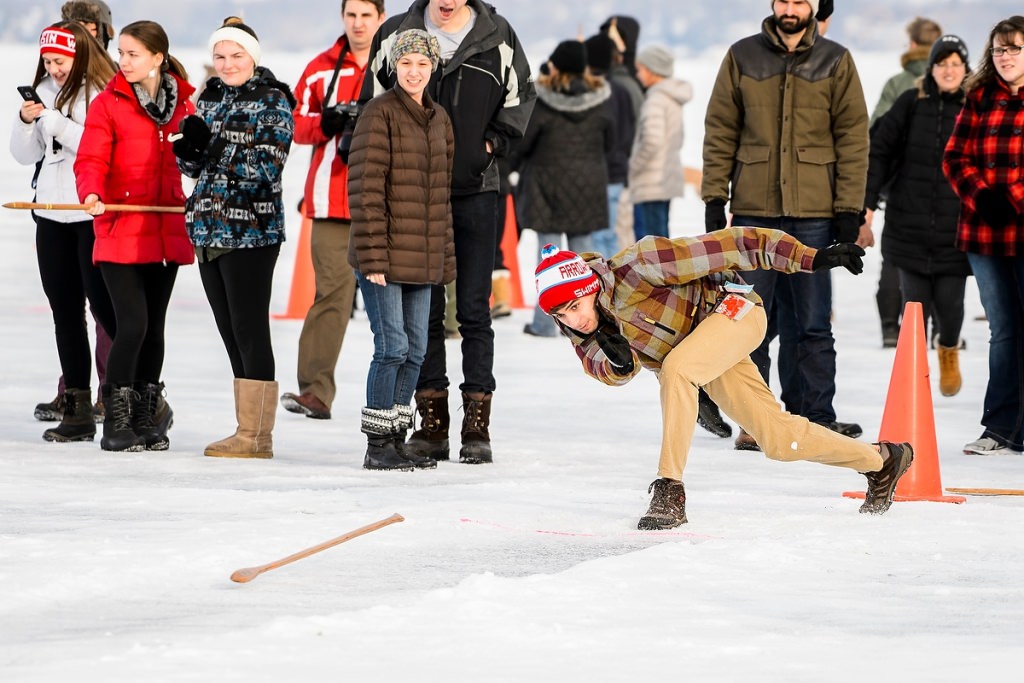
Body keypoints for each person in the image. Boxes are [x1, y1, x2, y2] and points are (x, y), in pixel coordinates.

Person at [532, 232, 913, 529]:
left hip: (734, 309)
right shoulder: (580, 329)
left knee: (676, 369)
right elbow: (608, 371)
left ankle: (669, 489)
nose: (573, 320)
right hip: (702, 350)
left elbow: (733, 244)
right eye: (561, 315)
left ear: (590, 289)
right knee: (778, 440)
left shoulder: (639, 265)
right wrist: (617, 363)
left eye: (575, 307)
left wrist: (810, 257)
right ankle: (880, 460)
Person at [361, 0, 535, 464]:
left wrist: (490, 144)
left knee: (476, 310)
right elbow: (371, 101)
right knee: (427, 311)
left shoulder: (499, 36)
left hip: (476, 189)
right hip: (414, 196)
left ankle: (477, 426)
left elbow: (522, 98)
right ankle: (432, 422)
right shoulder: (398, 32)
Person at [702, 0, 869, 451]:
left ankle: (814, 418)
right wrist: (715, 198)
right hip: (754, 211)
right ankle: (754, 421)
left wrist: (848, 211)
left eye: (800, 1)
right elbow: (720, 130)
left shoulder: (836, 60)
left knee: (812, 322)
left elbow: (853, 137)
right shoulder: (741, 56)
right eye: (783, 0)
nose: (790, 8)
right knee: (746, 321)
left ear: (813, 8)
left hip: (814, 213)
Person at [173, 19, 295, 459]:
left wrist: (214, 148)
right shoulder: (209, 96)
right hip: (208, 227)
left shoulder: (273, 99)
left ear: (253, 57)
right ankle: (249, 431)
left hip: (252, 232)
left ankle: (256, 436)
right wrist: (188, 156)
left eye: (236, 56)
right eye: (221, 56)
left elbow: (267, 168)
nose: (227, 64)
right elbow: (199, 167)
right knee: (229, 333)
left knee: (249, 330)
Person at [75, 20, 194, 452]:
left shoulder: (186, 104)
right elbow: (90, 157)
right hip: (122, 227)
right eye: (121, 53)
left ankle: (146, 414)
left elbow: (195, 158)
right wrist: (90, 190)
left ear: (157, 58)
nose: (122, 62)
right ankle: (117, 416)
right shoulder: (109, 104)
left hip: (165, 229)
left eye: (132, 54)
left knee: (155, 329)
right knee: (133, 326)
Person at [347, 29, 455, 471]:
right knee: (391, 346)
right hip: (385, 255)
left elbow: (440, 197)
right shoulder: (379, 113)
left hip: (423, 257)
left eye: (422, 64)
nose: (414, 71)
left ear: (432, 68)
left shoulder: (440, 119)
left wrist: (443, 258)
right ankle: (377, 444)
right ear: (394, 66)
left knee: (415, 350)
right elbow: (366, 188)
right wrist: (372, 256)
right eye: (406, 63)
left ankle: (396, 436)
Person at [279, 0, 388, 422]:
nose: (358, 24)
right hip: (330, 199)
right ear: (343, 18)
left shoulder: (395, 64)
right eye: (351, 15)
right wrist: (327, 123)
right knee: (332, 297)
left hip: (387, 202)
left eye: (366, 16)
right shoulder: (322, 68)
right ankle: (315, 391)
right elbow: (292, 123)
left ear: (381, 17)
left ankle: (408, 397)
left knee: (399, 299)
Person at [10, 21, 117, 442]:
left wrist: (56, 124)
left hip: (89, 214)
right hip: (50, 213)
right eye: (49, 62)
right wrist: (25, 121)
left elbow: (98, 145)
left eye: (61, 61)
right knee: (64, 312)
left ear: (80, 57)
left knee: (105, 310)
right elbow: (24, 155)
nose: (54, 70)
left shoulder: (102, 94)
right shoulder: (46, 91)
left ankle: (127, 393)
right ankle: (76, 406)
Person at [864, 35, 971, 398]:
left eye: (956, 64)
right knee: (915, 308)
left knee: (951, 306)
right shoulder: (911, 102)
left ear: (965, 69)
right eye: (942, 64)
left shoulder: (974, 108)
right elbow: (878, 150)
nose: (949, 70)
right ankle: (916, 377)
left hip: (956, 230)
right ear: (932, 69)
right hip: (907, 226)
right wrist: (866, 205)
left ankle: (949, 350)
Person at [943, 15, 1024, 456]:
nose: (1005, 56)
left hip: (1020, 223)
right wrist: (981, 197)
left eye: (1013, 48)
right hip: (984, 232)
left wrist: (1009, 197)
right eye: (998, 49)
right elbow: (954, 157)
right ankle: (1000, 428)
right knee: (1004, 330)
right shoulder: (978, 97)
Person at [513, 39, 612, 338]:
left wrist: (513, 168)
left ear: (555, 65)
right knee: (584, 259)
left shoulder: (542, 100)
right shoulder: (600, 98)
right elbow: (613, 141)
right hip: (589, 184)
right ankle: (593, 318)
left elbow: (524, 142)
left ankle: (546, 324)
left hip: (548, 185)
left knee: (549, 256)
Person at [870, 16, 944, 348]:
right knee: (945, 255)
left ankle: (889, 325)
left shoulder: (897, 83)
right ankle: (941, 327)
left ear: (912, 45)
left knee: (894, 255)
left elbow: (876, 133)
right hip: (944, 188)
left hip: (900, 185)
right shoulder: (954, 79)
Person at [629, 44, 691, 240]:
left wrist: (633, 166)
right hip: (666, 178)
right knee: (662, 243)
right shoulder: (671, 98)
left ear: (653, 70)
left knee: (649, 248)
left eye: (641, 69)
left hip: (650, 183)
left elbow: (652, 141)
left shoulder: (655, 99)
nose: (638, 75)